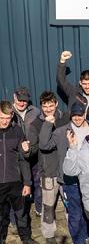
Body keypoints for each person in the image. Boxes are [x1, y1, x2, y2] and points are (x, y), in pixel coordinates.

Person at [40, 102, 89, 244]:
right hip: (70, 181)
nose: (77, 118)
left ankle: (87, 235)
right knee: (75, 213)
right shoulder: (62, 132)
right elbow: (44, 145)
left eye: (80, 115)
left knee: (87, 211)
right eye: (74, 115)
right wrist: (47, 125)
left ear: (85, 114)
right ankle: (79, 241)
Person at [28, 91, 69, 244]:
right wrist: (27, 149)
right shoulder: (36, 124)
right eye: (45, 106)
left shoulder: (65, 118)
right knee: (48, 205)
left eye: (51, 105)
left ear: (56, 104)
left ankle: (74, 229)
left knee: (70, 204)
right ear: (41, 106)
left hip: (66, 170)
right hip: (48, 171)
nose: (48, 109)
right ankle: (48, 233)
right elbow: (35, 146)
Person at [0, 101, 41, 244]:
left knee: (21, 212)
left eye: (7, 118)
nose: (5, 121)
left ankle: (26, 237)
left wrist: (27, 183)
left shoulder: (17, 131)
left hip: (15, 182)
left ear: (12, 115)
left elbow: (24, 160)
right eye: (1, 117)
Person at [12, 87, 41, 216]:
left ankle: (39, 208)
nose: (22, 103)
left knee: (38, 182)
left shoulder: (35, 112)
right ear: (14, 97)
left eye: (25, 100)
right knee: (18, 184)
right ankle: (20, 212)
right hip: (16, 156)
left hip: (34, 153)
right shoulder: (8, 112)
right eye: (19, 100)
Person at [56, 50, 89, 120]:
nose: (87, 87)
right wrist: (62, 61)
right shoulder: (73, 92)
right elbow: (60, 80)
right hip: (73, 124)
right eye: (84, 84)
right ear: (80, 83)